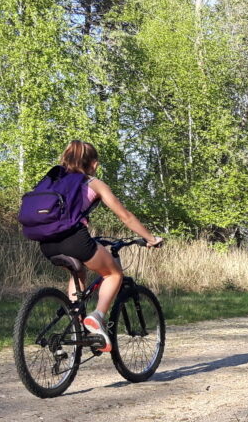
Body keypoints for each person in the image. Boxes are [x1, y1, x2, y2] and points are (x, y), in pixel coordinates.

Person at [37, 140, 162, 350]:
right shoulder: (92, 182)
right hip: (74, 240)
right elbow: (126, 216)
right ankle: (97, 317)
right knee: (114, 274)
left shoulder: (53, 180)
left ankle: (77, 326)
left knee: (78, 275)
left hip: (46, 243)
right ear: (93, 164)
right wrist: (150, 238)